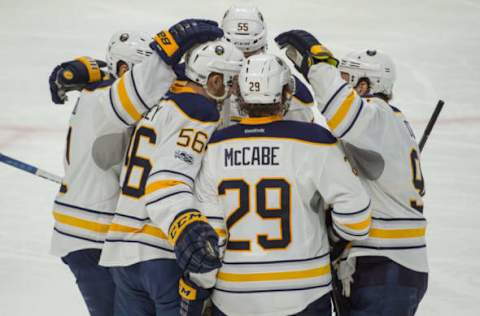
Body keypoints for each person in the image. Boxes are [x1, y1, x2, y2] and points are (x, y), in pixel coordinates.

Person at [192, 53, 372, 316]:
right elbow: (357, 221)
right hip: (305, 292)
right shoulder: (316, 142)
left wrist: (200, 287)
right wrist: (332, 240)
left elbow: (211, 237)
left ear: (239, 94)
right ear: (287, 92)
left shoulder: (216, 147)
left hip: (234, 298)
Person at [275, 31, 428, 315]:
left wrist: (318, 65)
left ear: (366, 84)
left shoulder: (376, 116)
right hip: (383, 263)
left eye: (347, 79)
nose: (342, 86)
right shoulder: (386, 124)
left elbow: (341, 112)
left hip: (386, 264)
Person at [98, 39, 244, 316]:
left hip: (122, 250)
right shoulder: (200, 111)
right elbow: (172, 176)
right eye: (231, 81)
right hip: (162, 253)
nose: (235, 90)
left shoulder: (161, 103)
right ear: (213, 80)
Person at [48, 31, 153, 316]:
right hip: (89, 234)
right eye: (140, 73)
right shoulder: (108, 99)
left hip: (94, 229)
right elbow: (110, 157)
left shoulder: (104, 93)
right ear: (122, 69)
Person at [219, 4, 320, 127]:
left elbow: (305, 138)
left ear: (263, 49)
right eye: (235, 56)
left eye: (249, 55)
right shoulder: (204, 83)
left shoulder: (289, 90)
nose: (243, 65)